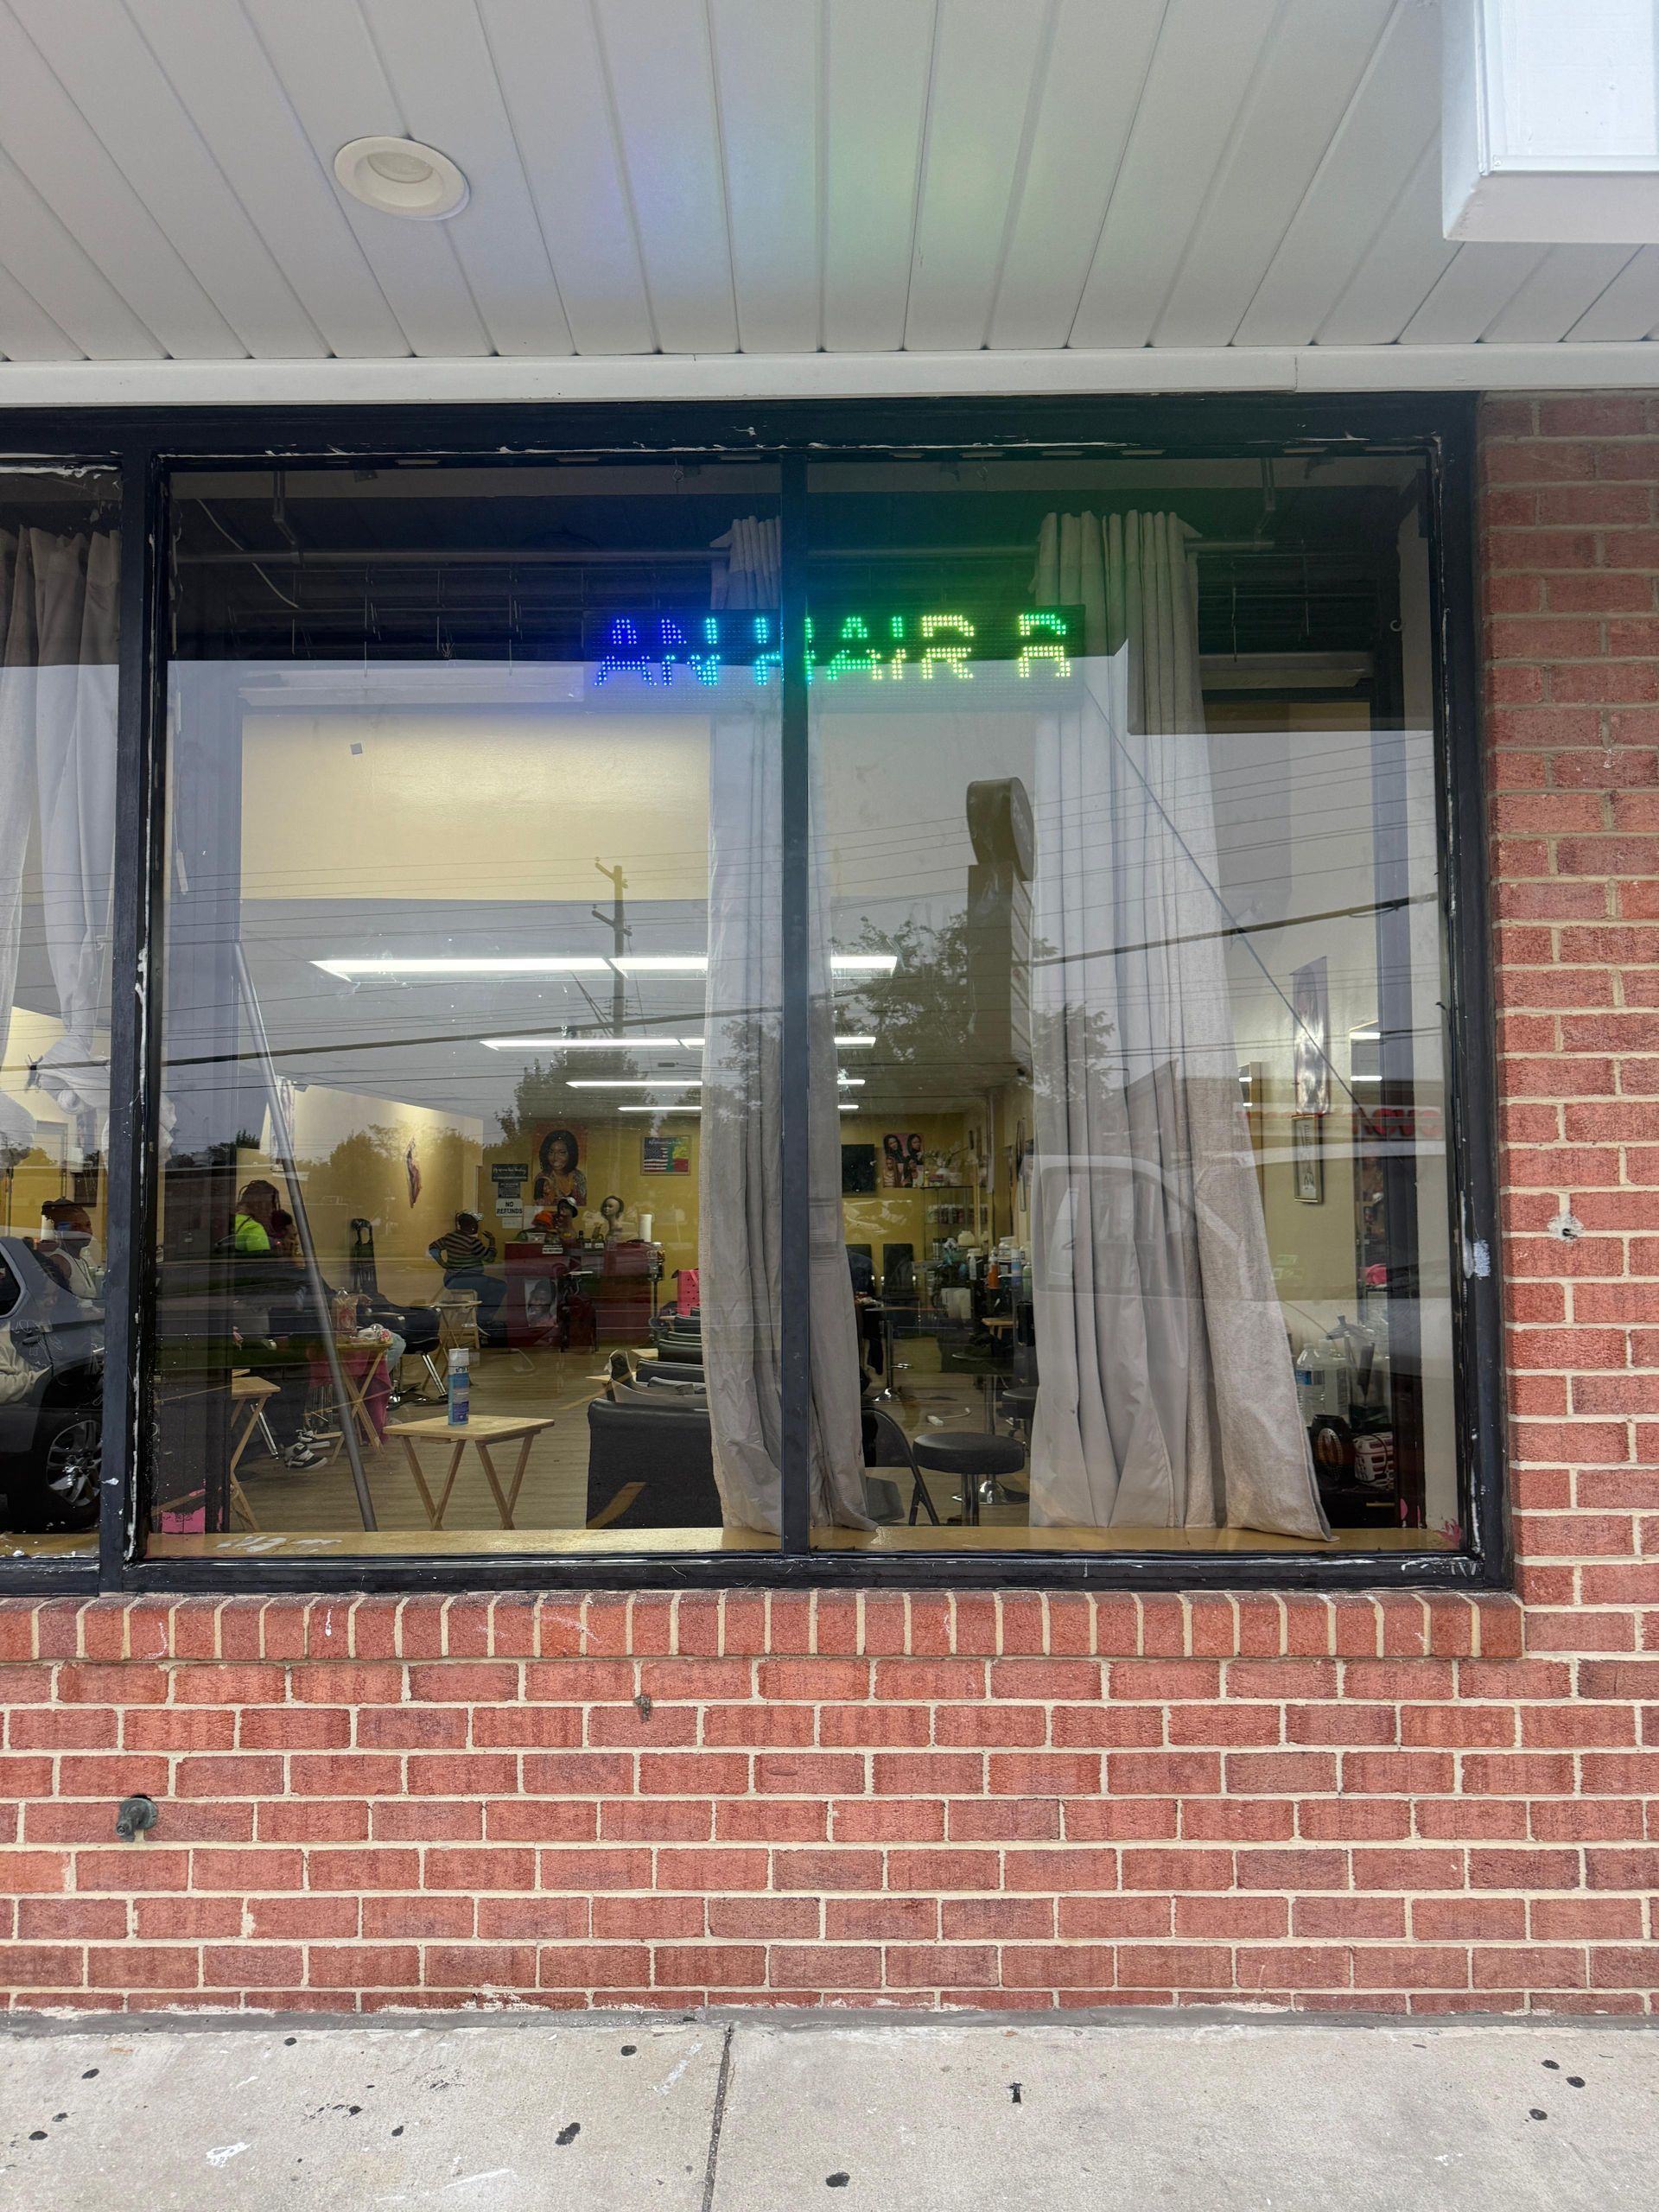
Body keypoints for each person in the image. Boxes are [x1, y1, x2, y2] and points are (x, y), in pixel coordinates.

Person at [427, 1211, 507, 1340]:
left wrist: (442, 1262)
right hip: (468, 1278)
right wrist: (492, 1242)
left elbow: (433, 1247)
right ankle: (483, 1321)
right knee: (500, 1286)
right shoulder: (472, 1242)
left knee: (486, 1287)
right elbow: (490, 1258)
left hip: (450, 1279)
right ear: (472, 1227)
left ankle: (481, 1319)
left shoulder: (449, 1237)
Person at [36, 1200, 104, 1301]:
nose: (85, 1231)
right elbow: (59, 1305)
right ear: (60, 1232)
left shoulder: (82, 1261)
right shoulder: (60, 1262)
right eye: (76, 1227)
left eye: (88, 1225)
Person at [533, 1128, 587, 1208]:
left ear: (571, 1154)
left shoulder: (579, 1177)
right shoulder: (542, 1179)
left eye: (562, 1153)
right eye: (551, 1152)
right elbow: (539, 1207)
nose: (555, 1158)